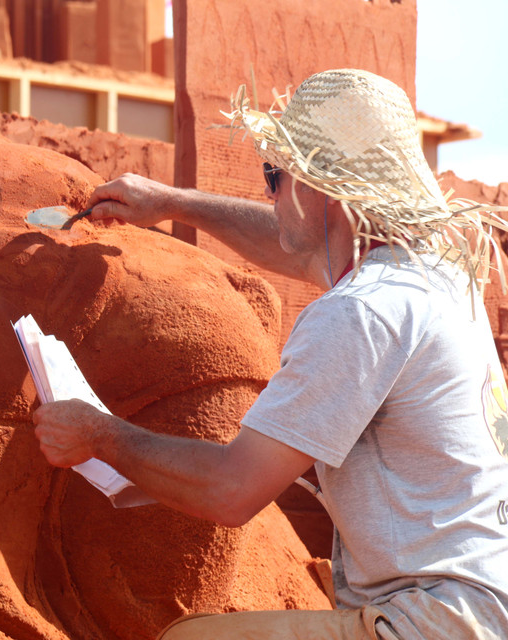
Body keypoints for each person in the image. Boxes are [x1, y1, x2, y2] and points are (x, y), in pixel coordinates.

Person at [32, 68, 508, 639]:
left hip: (433, 620)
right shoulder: (437, 269)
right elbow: (301, 247)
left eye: (274, 175)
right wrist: (172, 203)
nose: (269, 192)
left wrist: (99, 435)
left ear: (319, 183)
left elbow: (230, 491)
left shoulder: (361, 313)